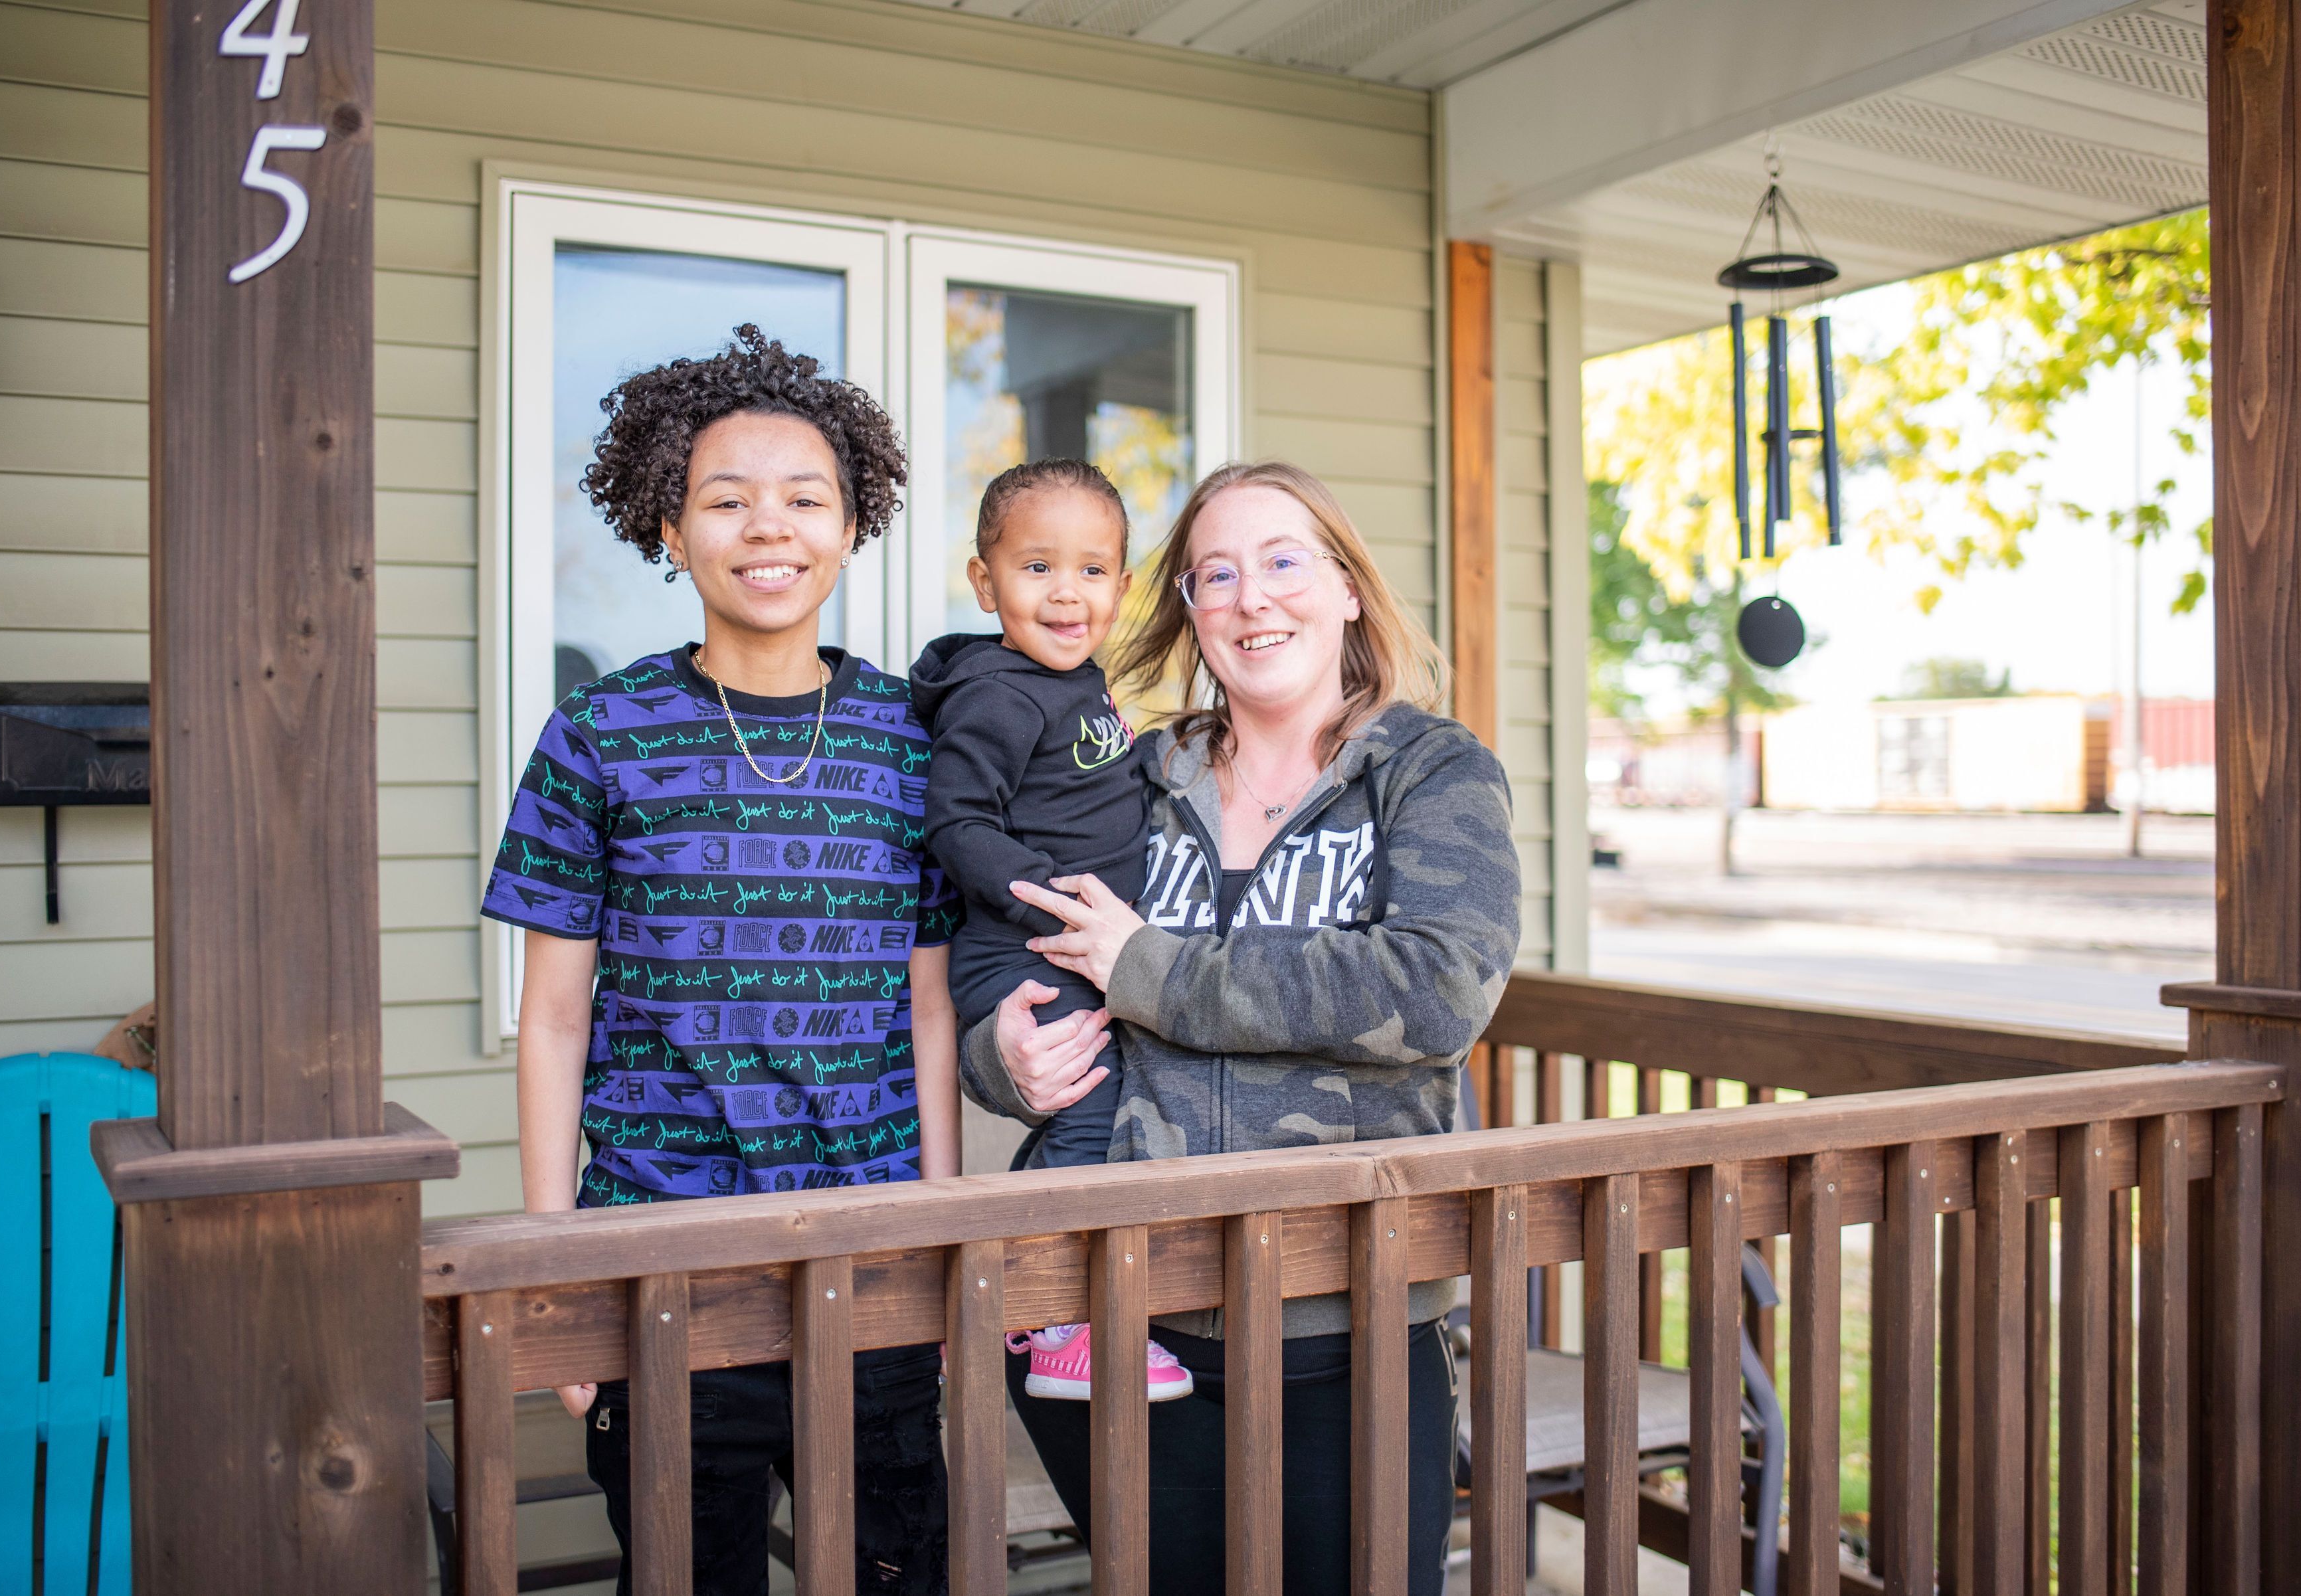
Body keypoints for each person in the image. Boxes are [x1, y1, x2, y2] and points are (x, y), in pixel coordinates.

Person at [956, 459, 1522, 1595]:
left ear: (1349, 587)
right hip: (1117, 1320)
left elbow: (1436, 989)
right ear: (1187, 613)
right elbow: (1016, 943)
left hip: (1348, 1322)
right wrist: (1004, 1056)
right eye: (1215, 575)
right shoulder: (1129, 767)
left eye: (1281, 562)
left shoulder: (1429, 771)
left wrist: (1154, 970)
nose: (1250, 598)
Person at [481, 325, 961, 1596]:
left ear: (853, 526)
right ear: (671, 528)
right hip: (659, 1272)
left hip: (873, 1268)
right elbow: (554, 1022)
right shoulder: (600, 729)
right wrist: (554, 1266)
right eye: (727, 499)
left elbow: (928, 1009)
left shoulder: (908, 738)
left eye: (807, 498)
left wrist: (948, 1235)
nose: (770, 527)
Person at [909, 458, 1193, 1403]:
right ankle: (1066, 1324)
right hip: (1026, 948)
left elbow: (1089, 784)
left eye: (1094, 569)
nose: (1068, 593)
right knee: (1098, 1100)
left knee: (1097, 1112)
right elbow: (958, 824)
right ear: (985, 582)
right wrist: (1049, 902)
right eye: (1037, 569)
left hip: (1068, 940)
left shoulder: (1071, 678)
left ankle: (1019, 1285)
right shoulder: (1000, 693)